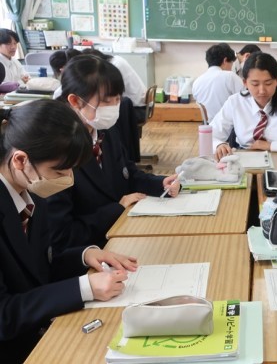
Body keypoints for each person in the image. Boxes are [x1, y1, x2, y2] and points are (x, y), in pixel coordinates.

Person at [0, 99, 137, 363]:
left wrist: (85, 256)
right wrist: (83, 288)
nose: (68, 179)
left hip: (41, 330)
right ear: (20, 160)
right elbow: (4, 315)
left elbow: (38, 268)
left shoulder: (31, 191)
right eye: (59, 171)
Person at [47, 55, 180, 252]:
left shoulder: (103, 129)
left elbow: (127, 173)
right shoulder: (56, 149)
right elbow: (63, 236)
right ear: (75, 101)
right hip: (90, 251)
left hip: (121, 231)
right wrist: (116, 209)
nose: (113, 108)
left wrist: (160, 184)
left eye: (117, 99)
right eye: (105, 101)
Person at [192, 43, 244, 122]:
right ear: (225, 60)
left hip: (208, 126)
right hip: (230, 126)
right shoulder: (230, 76)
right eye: (231, 63)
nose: (231, 67)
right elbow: (247, 98)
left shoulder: (197, 82)